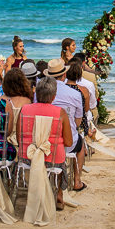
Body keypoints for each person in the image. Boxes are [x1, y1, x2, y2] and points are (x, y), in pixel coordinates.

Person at [18, 76, 74, 210]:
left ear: (36, 93)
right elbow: (68, 142)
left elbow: (19, 136)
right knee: (61, 162)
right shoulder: (60, 113)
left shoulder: (24, 110)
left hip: (27, 158)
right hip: (52, 159)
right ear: (54, 96)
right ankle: (59, 193)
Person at [44, 59, 86, 191]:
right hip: (67, 143)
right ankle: (77, 180)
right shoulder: (75, 94)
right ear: (64, 75)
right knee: (80, 142)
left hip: (45, 141)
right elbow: (78, 121)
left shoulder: (40, 91)